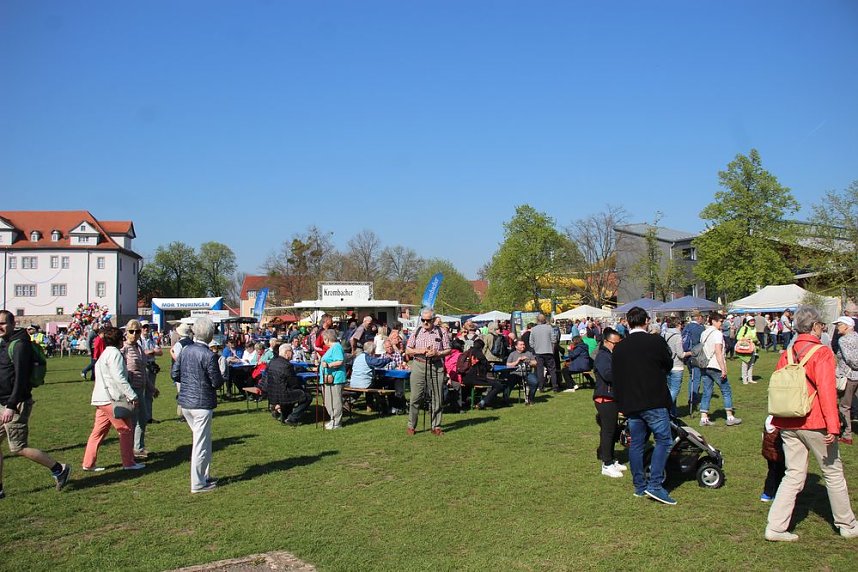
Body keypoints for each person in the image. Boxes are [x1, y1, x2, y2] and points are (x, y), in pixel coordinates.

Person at [765, 306, 858, 541]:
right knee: (833, 473)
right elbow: (826, 391)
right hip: (815, 421)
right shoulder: (822, 352)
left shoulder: (787, 352)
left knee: (793, 474)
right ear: (816, 326)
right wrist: (834, 425)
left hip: (787, 420)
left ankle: (775, 527)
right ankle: (847, 524)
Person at [0, 310, 72, 497]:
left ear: (12, 323)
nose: (0, 327)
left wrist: (11, 404)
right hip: (3, 402)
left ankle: (59, 469)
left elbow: (21, 378)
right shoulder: (5, 342)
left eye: (2, 323)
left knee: (18, 447)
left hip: (15, 403)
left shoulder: (19, 345)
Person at [611, 306, 675, 504]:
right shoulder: (655, 341)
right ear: (646, 321)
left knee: (637, 444)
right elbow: (668, 364)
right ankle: (655, 484)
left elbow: (616, 378)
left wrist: (621, 402)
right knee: (664, 440)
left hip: (631, 402)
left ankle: (640, 485)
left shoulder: (620, 346)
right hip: (653, 399)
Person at [171, 317, 224, 494]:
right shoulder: (209, 355)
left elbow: (175, 373)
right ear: (209, 335)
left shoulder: (185, 350)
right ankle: (198, 483)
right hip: (201, 405)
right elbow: (216, 382)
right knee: (200, 444)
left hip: (186, 403)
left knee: (204, 441)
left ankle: (204, 476)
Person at [83, 325, 143, 471]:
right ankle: (128, 462)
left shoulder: (104, 354)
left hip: (100, 398)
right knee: (126, 429)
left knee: (98, 432)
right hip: (111, 399)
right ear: (119, 340)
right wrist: (132, 396)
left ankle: (88, 463)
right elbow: (119, 378)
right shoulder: (115, 354)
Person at [405, 307, 451, 436]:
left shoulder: (441, 332)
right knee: (415, 397)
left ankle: (436, 426)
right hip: (419, 365)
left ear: (433, 319)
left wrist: (438, 353)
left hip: (436, 366)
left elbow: (448, 350)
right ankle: (411, 426)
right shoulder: (417, 331)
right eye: (423, 320)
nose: (425, 323)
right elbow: (408, 349)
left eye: (428, 320)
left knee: (437, 397)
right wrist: (421, 351)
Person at [121, 320, 158, 460]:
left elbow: (142, 370)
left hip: (140, 388)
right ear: (126, 332)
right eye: (132, 331)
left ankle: (138, 448)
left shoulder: (139, 348)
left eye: (137, 331)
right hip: (130, 390)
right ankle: (131, 451)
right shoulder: (123, 349)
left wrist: (151, 388)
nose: (135, 334)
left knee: (142, 419)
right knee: (133, 421)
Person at [699, 312, 742, 427]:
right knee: (726, 390)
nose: (721, 324)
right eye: (720, 321)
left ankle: (704, 418)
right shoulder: (717, 334)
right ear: (713, 321)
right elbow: (718, 352)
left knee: (707, 391)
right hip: (715, 365)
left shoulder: (704, 333)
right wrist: (723, 368)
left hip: (705, 365)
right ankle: (730, 416)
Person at [594, 328, 626, 478]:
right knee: (608, 431)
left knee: (612, 430)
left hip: (611, 397)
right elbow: (607, 375)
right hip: (604, 398)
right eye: (615, 343)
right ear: (606, 342)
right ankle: (606, 464)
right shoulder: (602, 356)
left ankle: (611, 459)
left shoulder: (611, 355)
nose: (617, 346)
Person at [266, 345, 311, 426]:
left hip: (272, 394)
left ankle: (283, 415)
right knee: (307, 396)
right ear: (287, 353)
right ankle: (292, 418)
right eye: (292, 352)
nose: (293, 354)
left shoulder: (272, 362)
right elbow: (293, 383)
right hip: (283, 394)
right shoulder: (287, 365)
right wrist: (302, 388)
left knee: (292, 393)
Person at [833, 316, 858, 445]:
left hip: (848, 377)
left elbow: (850, 359)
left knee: (844, 406)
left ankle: (847, 434)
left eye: (839, 325)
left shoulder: (843, 340)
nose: (837, 327)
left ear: (847, 326)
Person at [462, 339, 505, 410]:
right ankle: (483, 402)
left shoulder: (467, 352)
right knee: (498, 385)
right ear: (481, 347)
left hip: (464, 378)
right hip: (476, 378)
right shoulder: (479, 354)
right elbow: (488, 367)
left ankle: (467, 401)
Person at [318, 329, 347, 430]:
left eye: (323, 339)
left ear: (327, 338)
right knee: (328, 401)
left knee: (335, 401)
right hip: (327, 379)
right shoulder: (332, 348)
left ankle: (337, 422)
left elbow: (340, 361)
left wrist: (328, 364)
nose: (323, 341)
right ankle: (332, 419)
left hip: (335, 379)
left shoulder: (336, 347)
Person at [662, 317, 688, 415]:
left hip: (667, 364)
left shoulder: (664, 334)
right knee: (675, 390)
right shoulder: (678, 336)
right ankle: (665, 408)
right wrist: (690, 353)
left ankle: (672, 412)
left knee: (669, 389)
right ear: (678, 325)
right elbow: (680, 354)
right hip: (677, 365)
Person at [139, 322, 163, 424]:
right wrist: (150, 351)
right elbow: (139, 353)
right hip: (143, 367)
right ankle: (142, 417)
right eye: (144, 327)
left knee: (150, 393)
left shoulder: (151, 339)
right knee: (142, 393)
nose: (146, 329)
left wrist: (151, 351)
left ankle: (148, 417)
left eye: (147, 327)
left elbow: (160, 352)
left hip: (151, 366)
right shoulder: (139, 340)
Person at [531, 314, 560, 392]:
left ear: (537, 320)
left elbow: (531, 342)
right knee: (552, 370)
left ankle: (541, 387)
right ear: (545, 320)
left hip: (538, 352)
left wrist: (535, 348)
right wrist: (552, 348)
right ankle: (555, 387)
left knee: (540, 370)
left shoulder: (533, 329)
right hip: (548, 351)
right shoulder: (549, 328)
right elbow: (554, 340)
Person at [760, 415, 785, 503]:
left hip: (768, 452)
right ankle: (774, 493)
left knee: (772, 471)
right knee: (780, 473)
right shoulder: (781, 422)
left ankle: (767, 493)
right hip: (779, 454)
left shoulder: (768, 419)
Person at [507, 339, 538, 405]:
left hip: (527, 373)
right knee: (508, 384)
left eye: (523, 344)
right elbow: (508, 365)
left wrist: (528, 361)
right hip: (515, 373)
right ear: (516, 346)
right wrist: (517, 361)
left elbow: (535, 363)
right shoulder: (512, 354)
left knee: (535, 382)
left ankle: (530, 399)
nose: (523, 346)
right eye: (521, 345)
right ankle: (505, 400)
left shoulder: (528, 353)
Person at [736, 316, 759, 385]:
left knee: (751, 364)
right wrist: (746, 339)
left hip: (753, 348)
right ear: (747, 321)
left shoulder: (754, 328)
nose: (752, 322)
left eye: (753, 320)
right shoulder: (744, 328)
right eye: (751, 321)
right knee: (745, 364)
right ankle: (744, 379)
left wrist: (756, 340)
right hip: (746, 348)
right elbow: (738, 337)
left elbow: (755, 337)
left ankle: (750, 379)